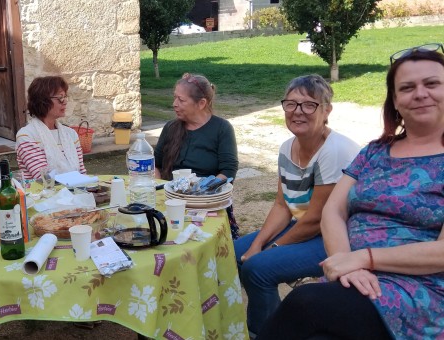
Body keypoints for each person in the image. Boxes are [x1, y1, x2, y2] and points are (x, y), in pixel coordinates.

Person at [258, 45, 444, 339]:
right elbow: (334, 210)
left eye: (432, 84)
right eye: (407, 88)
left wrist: (364, 259)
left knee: (304, 303)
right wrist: (346, 263)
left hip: (419, 287)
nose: (420, 93)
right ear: (395, 101)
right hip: (353, 275)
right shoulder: (375, 152)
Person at [233, 74, 360, 336]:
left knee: (258, 268)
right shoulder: (286, 148)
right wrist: (257, 244)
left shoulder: (335, 150)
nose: (297, 112)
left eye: (309, 104)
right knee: (231, 254)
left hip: (337, 238)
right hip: (305, 227)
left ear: (327, 110)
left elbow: (316, 220)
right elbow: (282, 205)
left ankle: (268, 332)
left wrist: (271, 248)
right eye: (291, 104)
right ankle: (241, 322)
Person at [153, 73, 240, 237]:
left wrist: (200, 194)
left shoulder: (222, 129)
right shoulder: (171, 127)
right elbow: (155, 164)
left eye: (181, 100)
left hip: (207, 204)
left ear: (201, 103)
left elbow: (228, 171)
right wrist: (159, 189)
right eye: (175, 98)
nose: (174, 104)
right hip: (171, 201)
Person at [16, 76, 86, 179]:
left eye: (65, 97)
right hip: (42, 194)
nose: (65, 101)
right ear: (42, 101)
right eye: (60, 98)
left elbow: (82, 173)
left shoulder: (71, 134)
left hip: (75, 191)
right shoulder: (27, 135)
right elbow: (43, 177)